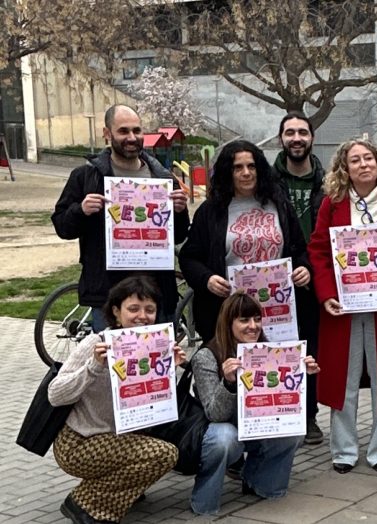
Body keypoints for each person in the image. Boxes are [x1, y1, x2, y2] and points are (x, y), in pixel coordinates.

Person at [308, 139, 377, 474]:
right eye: (355, 160)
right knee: (345, 376)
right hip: (344, 305)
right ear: (345, 168)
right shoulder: (332, 204)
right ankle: (343, 449)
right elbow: (318, 250)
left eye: (368, 158)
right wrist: (326, 294)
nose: (363, 165)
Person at [49, 276, 184, 523]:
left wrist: (168, 369)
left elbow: (153, 405)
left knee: (159, 448)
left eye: (150, 310)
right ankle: (84, 503)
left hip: (119, 437)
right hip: (81, 441)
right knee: (164, 454)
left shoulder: (154, 346)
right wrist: (93, 367)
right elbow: (55, 394)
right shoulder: (97, 343)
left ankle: (121, 490)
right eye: (133, 309)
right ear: (116, 312)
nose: (142, 316)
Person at [51, 104, 190, 331]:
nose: (132, 138)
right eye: (123, 131)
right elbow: (62, 227)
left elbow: (179, 236)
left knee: (158, 353)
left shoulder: (162, 177)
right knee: (109, 354)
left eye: (137, 130)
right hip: (108, 297)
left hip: (156, 296)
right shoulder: (86, 176)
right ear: (107, 134)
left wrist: (180, 212)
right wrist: (81, 210)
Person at [188, 291, 320, 515]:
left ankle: (258, 481)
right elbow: (214, 414)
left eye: (257, 319)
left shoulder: (270, 351)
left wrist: (300, 374)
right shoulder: (207, 356)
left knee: (293, 431)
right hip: (219, 429)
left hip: (257, 425)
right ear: (228, 323)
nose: (253, 326)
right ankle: (204, 499)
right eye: (244, 320)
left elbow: (285, 405)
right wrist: (228, 383)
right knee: (225, 439)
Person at [178, 140, 312, 344]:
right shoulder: (210, 211)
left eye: (251, 166)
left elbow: (299, 249)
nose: (246, 173)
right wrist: (207, 279)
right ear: (227, 172)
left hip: (277, 311)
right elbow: (189, 258)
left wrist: (303, 268)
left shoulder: (280, 204)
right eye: (238, 168)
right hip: (227, 312)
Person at [273, 111, 326, 445]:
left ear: (312, 138)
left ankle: (308, 416)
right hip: (274, 280)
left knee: (310, 348)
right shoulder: (267, 181)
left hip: (313, 277)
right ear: (281, 138)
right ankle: (277, 412)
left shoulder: (328, 182)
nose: (296, 138)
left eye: (302, 132)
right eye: (289, 132)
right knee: (276, 348)